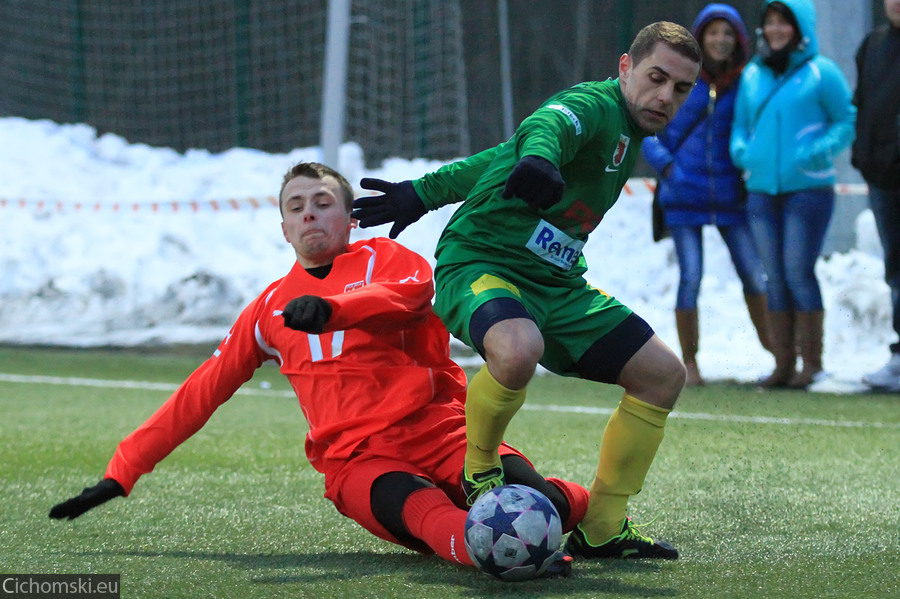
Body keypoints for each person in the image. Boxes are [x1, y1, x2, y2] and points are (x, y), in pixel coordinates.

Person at [48, 162, 591, 575]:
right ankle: (502, 557)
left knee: (541, 501)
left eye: (323, 201)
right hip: (359, 461)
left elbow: (405, 297)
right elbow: (200, 392)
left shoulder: (390, 259)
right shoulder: (268, 310)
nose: (309, 211)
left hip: (446, 433)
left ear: (348, 216)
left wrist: (333, 310)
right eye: (296, 205)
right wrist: (123, 470)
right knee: (425, 512)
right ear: (284, 228)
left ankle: (581, 504)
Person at [352, 22, 701, 560]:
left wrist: (422, 192)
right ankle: (480, 469)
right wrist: (540, 157)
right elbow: (545, 127)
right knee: (518, 349)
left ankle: (604, 526)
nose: (666, 97)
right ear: (626, 68)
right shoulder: (592, 105)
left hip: (556, 285)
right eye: (656, 78)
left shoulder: (632, 132)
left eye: (681, 89)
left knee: (662, 376)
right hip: (481, 262)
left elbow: (500, 155)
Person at [641, 4, 771, 386]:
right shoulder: (679, 79)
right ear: (700, 38)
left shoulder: (746, 82)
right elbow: (647, 127)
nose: (720, 40)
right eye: (713, 33)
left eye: (728, 33)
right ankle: (691, 363)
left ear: (738, 40)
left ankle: (779, 356)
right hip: (683, 196)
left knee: (755, 276)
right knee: (690, 278)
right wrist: (667, 167)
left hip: (732, 198)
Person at [729, 0, 855, 388]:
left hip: (809, 189)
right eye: (770, 22)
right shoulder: (752, 74)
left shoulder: (823, 72)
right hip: (762, 191)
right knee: (774, 276)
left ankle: (811, 363)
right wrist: (741, 152)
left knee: (798, 271)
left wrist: (818, 150)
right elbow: (740, 127)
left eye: (785, 22)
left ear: (801, 28)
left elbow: (846, 120)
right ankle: (783, 362)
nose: (776, 29)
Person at [853, 0, 900, 393]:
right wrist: (864, 158)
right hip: (884, 179)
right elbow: (864, 106)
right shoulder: (872, 45)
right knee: (896, 269)